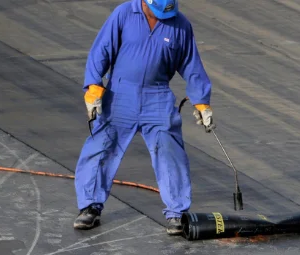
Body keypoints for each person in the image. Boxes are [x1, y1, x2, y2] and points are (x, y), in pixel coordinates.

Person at [73, 0, 215, 235]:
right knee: (102, 148)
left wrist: (202, 102)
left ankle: (177, 213)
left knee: (169, 151)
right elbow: (102, 50)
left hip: (157, 95)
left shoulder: (180, 25)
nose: (161, 18)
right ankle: (90, 207)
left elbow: (192, 65)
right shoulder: (124, 14)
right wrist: (94, 87)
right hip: (120, 94)